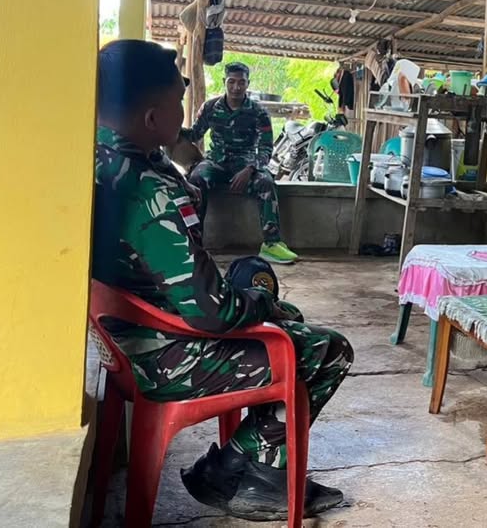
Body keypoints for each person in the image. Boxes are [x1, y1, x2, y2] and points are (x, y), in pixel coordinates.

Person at [92, 40, 353, 520]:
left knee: (284, 318)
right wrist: (260, 301)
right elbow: (213, 312)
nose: (184, 115)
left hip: (125, 339)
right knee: (326, 349)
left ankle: (256, 468)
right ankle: (238, 466)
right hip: (164, 354)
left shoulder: (99, 158)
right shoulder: (148, 190)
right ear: (151, 117)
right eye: (178, 103)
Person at [186, 61, 298, 265]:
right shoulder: (210, 107)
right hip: (216, 162)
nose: (236, 87)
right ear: (224, 81)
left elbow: (266, 148)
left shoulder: (258, 112)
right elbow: (194, 134)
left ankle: (271, 244)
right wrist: (167, 129)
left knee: (266, 182)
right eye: (231, 81)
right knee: (195, 180)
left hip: (245, 163)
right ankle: (194, 243)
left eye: (241, 82)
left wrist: (250, 169)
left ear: (248, 84)